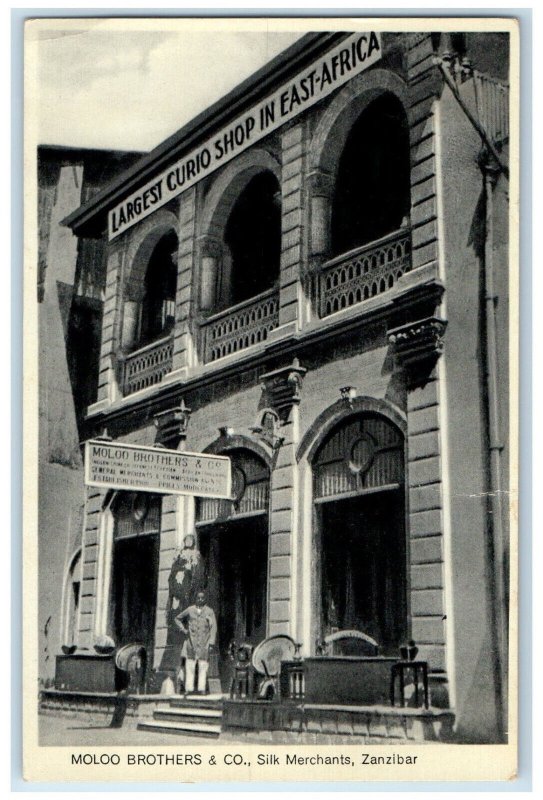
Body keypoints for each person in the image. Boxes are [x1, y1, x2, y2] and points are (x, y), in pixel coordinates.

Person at [175, 591, 217, 695]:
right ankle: (189, 689)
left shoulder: (209, 611)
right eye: (198, 598)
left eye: (202, 598)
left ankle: (202, 689)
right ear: (195, 599)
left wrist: (211, 643)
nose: (200, 600)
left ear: (205, 599)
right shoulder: (190, 610)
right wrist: (184, 630)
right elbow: (177, 619)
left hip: (204, 643)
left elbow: (213, 627)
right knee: (190, 665)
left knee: (203, 665)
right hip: (191, 643)